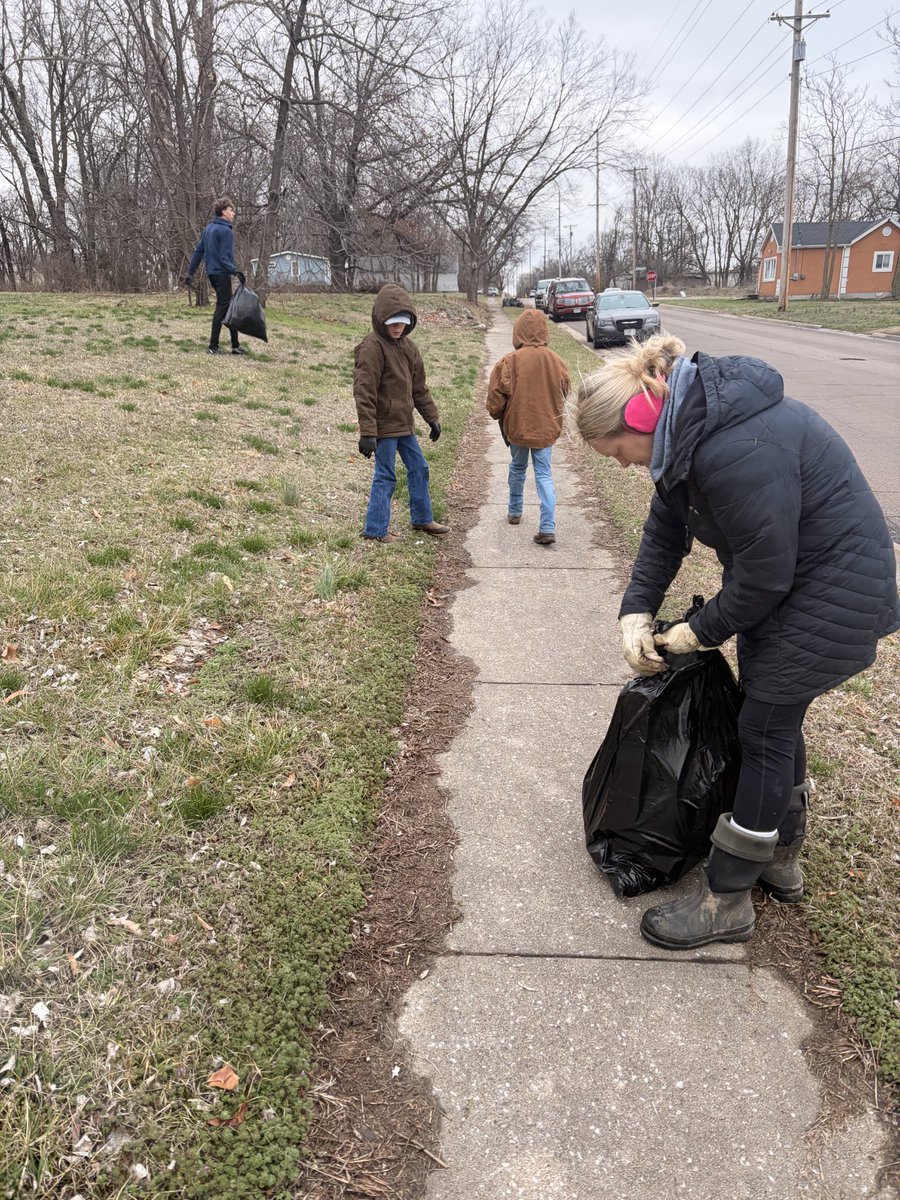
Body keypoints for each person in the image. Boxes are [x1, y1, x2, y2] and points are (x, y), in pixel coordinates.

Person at [571, 333, 899, 950]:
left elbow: (766, 574)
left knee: (765, 729)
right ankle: (779, 857)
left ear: (642, 417)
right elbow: (665, 532)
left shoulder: (732, 448)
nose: (623, 465)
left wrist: (699, 631)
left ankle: (728, 898)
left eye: (619, 451)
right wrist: (635, 612)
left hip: (830, 593)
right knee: (773, 720)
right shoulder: (687, 437)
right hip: (797, 590)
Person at [354, 283, 449, 544]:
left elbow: (419, 387)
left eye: (403, 323)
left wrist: (432, 417)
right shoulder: (372, 348)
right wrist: (368, 432)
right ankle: (375, 529)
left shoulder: (409, 348)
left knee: (419, 467)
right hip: (384, 428)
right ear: (381, 320)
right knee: (385, 476)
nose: (398, 328)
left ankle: (421, 519)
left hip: (405, 426)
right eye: (393, 323)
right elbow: (365, 392)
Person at [486, 309, 570, 545]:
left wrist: (498, 414)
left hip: (518, 427)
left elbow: (496, 397)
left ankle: (514, 511)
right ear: (544, 330)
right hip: (546, 428)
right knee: (544, 474)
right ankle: (547, 525)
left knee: (517, 468)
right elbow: (565, 390)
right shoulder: (556, 360)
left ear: (518, 331)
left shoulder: (509, 362)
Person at [185, 196, 245, 356]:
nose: (234, 213)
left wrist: (190, 272)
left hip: (212, 274)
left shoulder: (208, 229)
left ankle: (235, 345)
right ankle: (213, 346)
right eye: (231, 210)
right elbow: (224, 257)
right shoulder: (225, 231)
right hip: (222, 274)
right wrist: (235, 271)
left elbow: (199, 251)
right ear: (224, 212)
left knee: (228, 308)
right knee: (222, 309)